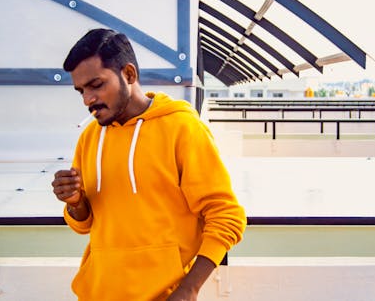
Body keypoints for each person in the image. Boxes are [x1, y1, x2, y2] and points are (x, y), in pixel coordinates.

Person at [51, 28, 246, 301]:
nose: (87, 100)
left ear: (129, 75)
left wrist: (189, 288)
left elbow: (227, 216)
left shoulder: (182, 128)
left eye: (96, 85)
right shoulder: (90, 138)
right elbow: (84, 224)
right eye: (81, 90)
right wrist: (74, 201)